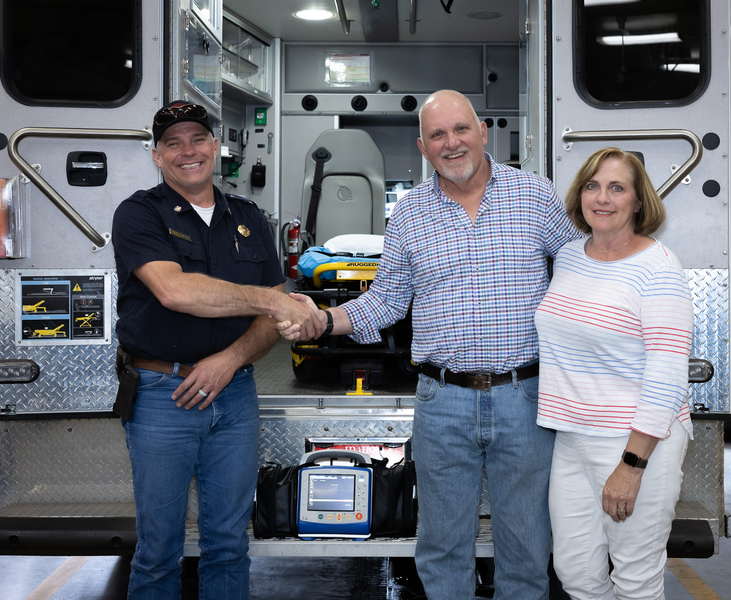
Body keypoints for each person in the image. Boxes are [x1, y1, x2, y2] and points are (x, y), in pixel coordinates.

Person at [279, 90, 580, 600]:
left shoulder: (535, 195)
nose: (452, 143)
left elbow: (580, 266)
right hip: (443, 402)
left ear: (482, 132)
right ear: (423, 147)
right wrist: (322, 322)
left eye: (461, 129)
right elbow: (386, 301)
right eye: (437, 134)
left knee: (527, 549)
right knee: (442, 549)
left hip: (525, 397)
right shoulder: (410, 214)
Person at [112, 100, 321, 599]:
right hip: (164, 395)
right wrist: (273, 299)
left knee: (229, 545)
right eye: (173, 143)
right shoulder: (139, 213)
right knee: (159, 553)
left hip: (234, 394)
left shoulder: (248, 217)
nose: (188, 151)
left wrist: (230, 360)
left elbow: (272, 321)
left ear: (215, 145)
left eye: (197, 139)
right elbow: (175, 291)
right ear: (157, 155)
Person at [535, 147, 694, 600]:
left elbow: (668, 372)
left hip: (634, 442)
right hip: (571, 437)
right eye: (593, 186)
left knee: (635, 579)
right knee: (576, 573)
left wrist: (632, 465)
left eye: (617, 187)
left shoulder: (658, 267)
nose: (602, 198)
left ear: (639, 201)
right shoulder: (569, 256)